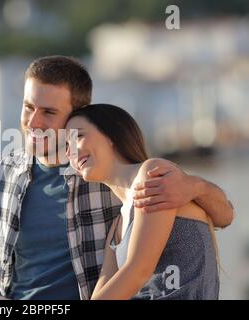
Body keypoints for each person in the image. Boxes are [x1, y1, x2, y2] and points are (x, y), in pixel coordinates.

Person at [0, 56, 234, 300]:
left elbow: (223, 216)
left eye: (49, 112)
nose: (34, 121)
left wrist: (196, 187)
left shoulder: (121, 176)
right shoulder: (4, 174)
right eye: (28, 107)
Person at [66, 104, 220, 299]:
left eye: (77, 136)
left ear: (110, 134)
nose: (71, 152)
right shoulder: (117, 226)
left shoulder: (153, 173)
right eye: (66, 146)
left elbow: (138, 271)